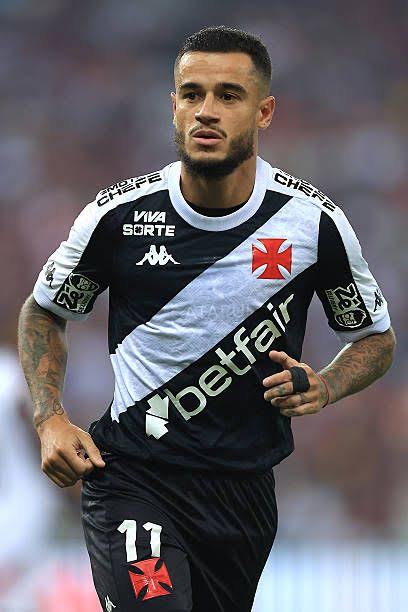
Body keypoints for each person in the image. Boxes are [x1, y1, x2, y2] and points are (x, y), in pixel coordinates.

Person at [18, 26, 395, 612]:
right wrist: (50, 418)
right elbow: (44, 311)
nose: (207, 111)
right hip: (133, 477)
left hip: (243, 496)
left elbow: (374, 339)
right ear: (173, 105)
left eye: (228, 95)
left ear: (264, 111)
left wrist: (325, 385)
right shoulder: (118, 216)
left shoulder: (312, 224)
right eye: (192, 94)